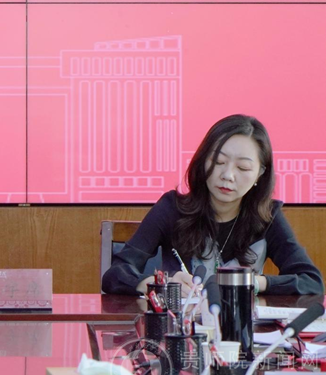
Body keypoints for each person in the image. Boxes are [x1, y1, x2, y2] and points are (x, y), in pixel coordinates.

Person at [102, 114, 323, 297]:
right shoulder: (172, 208)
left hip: (243, 331)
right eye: (218, 162)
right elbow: (115, 275)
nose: (227, 175)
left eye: (243, 168)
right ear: (203, 161)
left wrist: (253, 282)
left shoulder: (268, 216)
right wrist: (161, 284)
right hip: (183, 329)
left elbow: (311, 281)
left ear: (259, 174)